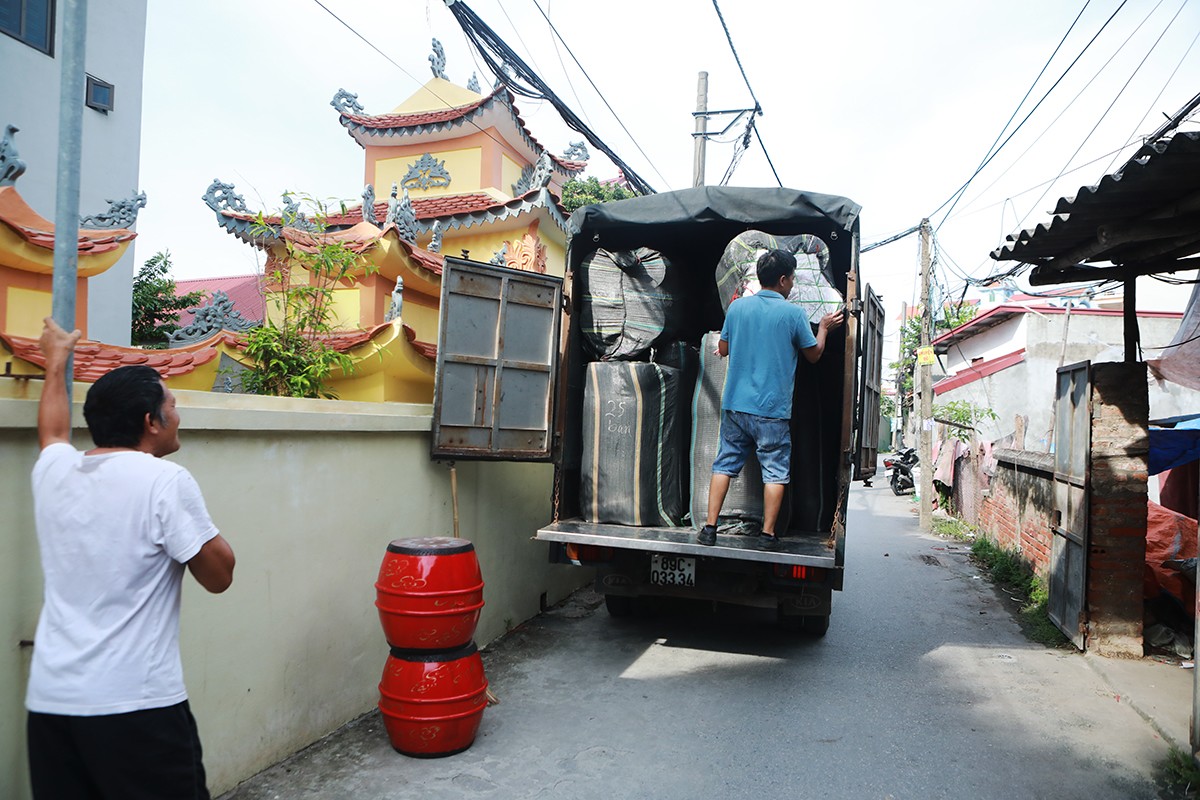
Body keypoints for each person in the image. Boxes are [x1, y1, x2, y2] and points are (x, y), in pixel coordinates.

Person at [26, 317, 235, 799]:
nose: (178, 415)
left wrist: (56, 362)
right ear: (150, 421)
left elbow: (54, 432)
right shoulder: (165, 481)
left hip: (52, 706)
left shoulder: (57, 472)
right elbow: (219, 576)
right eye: (173, 406)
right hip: (136, 709)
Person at [697, 250, 844, 550]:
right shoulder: (793, 314)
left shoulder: (737, 309)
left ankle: (709, 529)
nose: (792, 284)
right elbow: (813, 355)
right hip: (772, 410)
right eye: (791, 278)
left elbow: (723, 349)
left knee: (724, 465)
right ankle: (767, 534)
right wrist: (825, 330)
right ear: (782, 280)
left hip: (736, 405)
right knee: (775, 471)